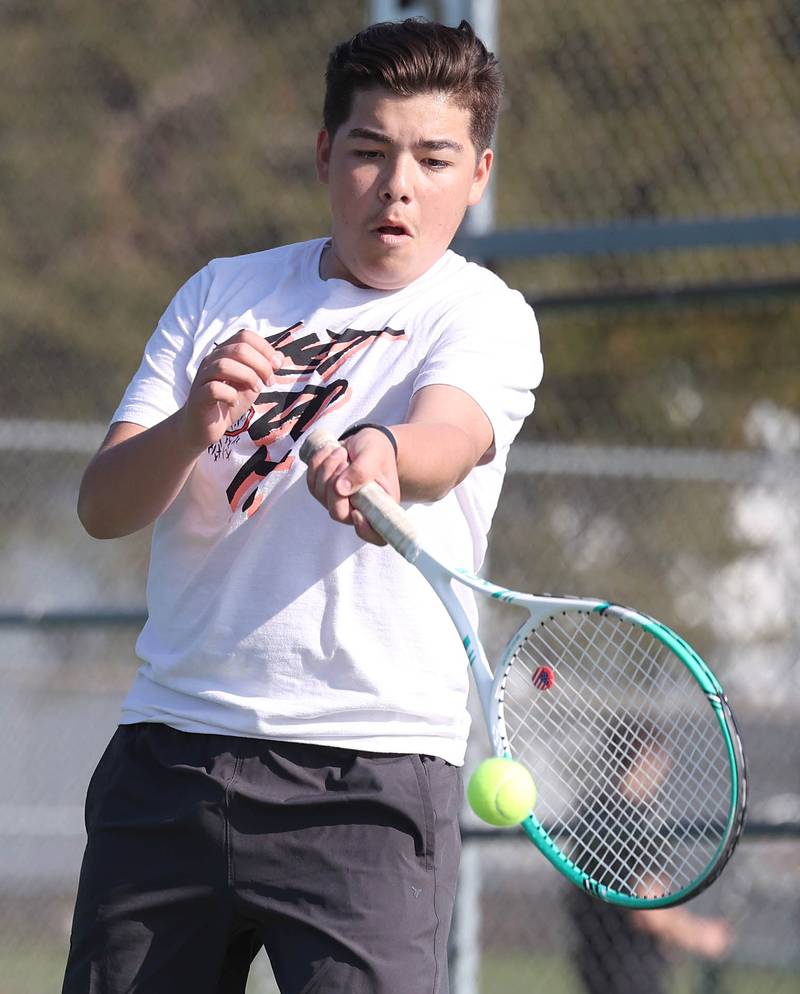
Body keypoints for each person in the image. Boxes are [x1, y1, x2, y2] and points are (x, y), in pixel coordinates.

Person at [62, 17, 543, 994]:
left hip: (369, 778)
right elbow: (104, 506)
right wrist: (196, 419)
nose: (397, 186)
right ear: (327, 152)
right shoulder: (219, 292)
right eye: (368, 151)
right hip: (172, 760)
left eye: (433, 158)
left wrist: (384, 454)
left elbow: (447, 438)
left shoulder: (482, 313)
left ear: (478, 173)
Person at [566, 717, 731, 994]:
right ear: (646, 757)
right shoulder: (637, 823)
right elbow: (649, 909)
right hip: (630, 967)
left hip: (593, 959)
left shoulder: (593, 810)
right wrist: (700, 936)